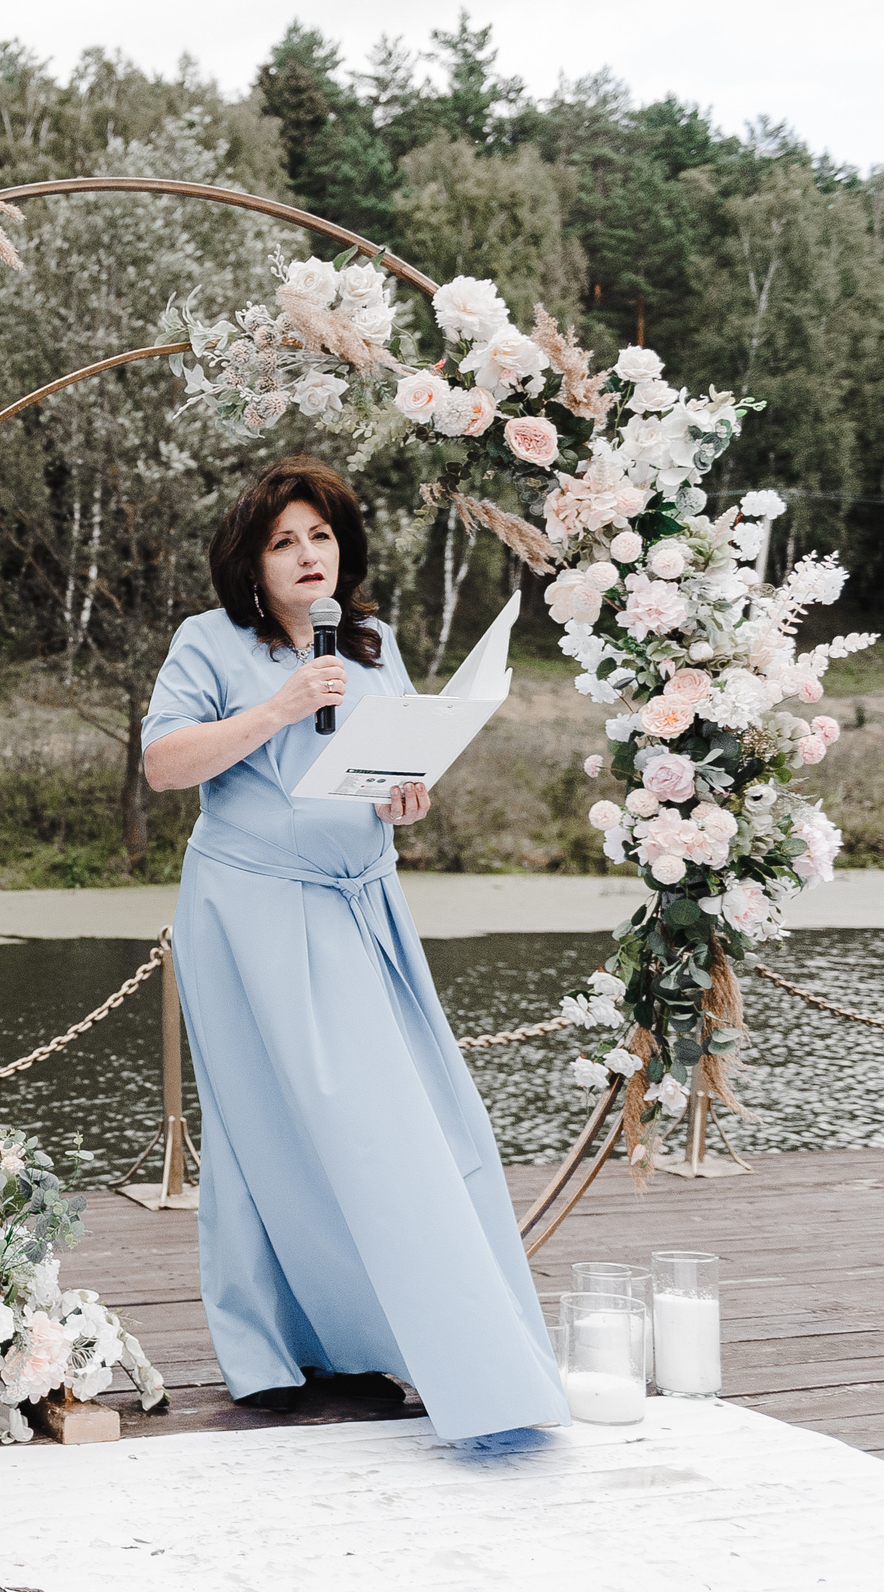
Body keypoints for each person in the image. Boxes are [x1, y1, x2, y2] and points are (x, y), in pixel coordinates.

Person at [141, 454, 565, 1441]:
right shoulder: (209, 643)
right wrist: (278, 708)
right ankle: (271, 1353)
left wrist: (406, 795)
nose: (305, 556)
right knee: (265, 1129)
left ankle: (398, 1342)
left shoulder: (372, 645)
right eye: (282, 541)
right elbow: (165, 764)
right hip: (250, 909)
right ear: (251, 562)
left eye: (319, 536)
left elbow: (393, 770)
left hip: (361, 904)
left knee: (411, 1125)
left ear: (343, 549)